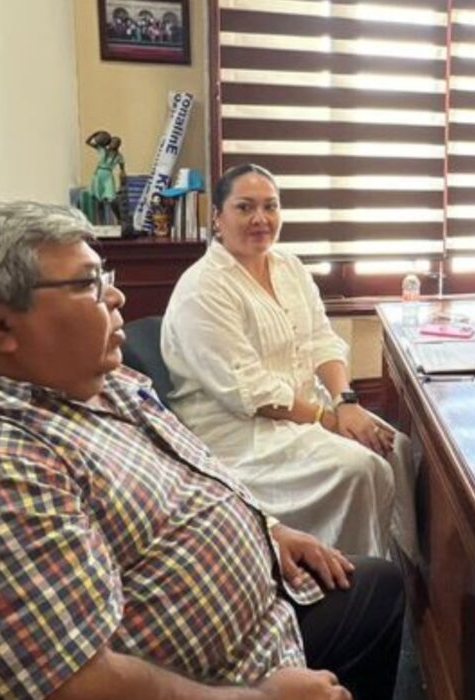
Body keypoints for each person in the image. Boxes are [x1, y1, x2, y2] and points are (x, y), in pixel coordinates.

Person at [0, 201, 403, 700]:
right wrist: (264, 697)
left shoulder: (83, 379)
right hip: (224, 680)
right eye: (90, 284)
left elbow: (192, 468)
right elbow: (82, 687)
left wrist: (268, 529)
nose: (116, 297)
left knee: (380, 585)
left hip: (266, 615)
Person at [162, 164, 418, 561]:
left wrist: (346, 402)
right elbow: (252, 393)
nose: (260, 219)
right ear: (217, 218)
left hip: (305, 409)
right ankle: (352, 577)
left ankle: (406, 576)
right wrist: (330, 420)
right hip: (240, 431)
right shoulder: (203, 289)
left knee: (395, 448)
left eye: (271, 206)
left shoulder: (288, 266)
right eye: (244, 207)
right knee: (360, 469)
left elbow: (321, 340)